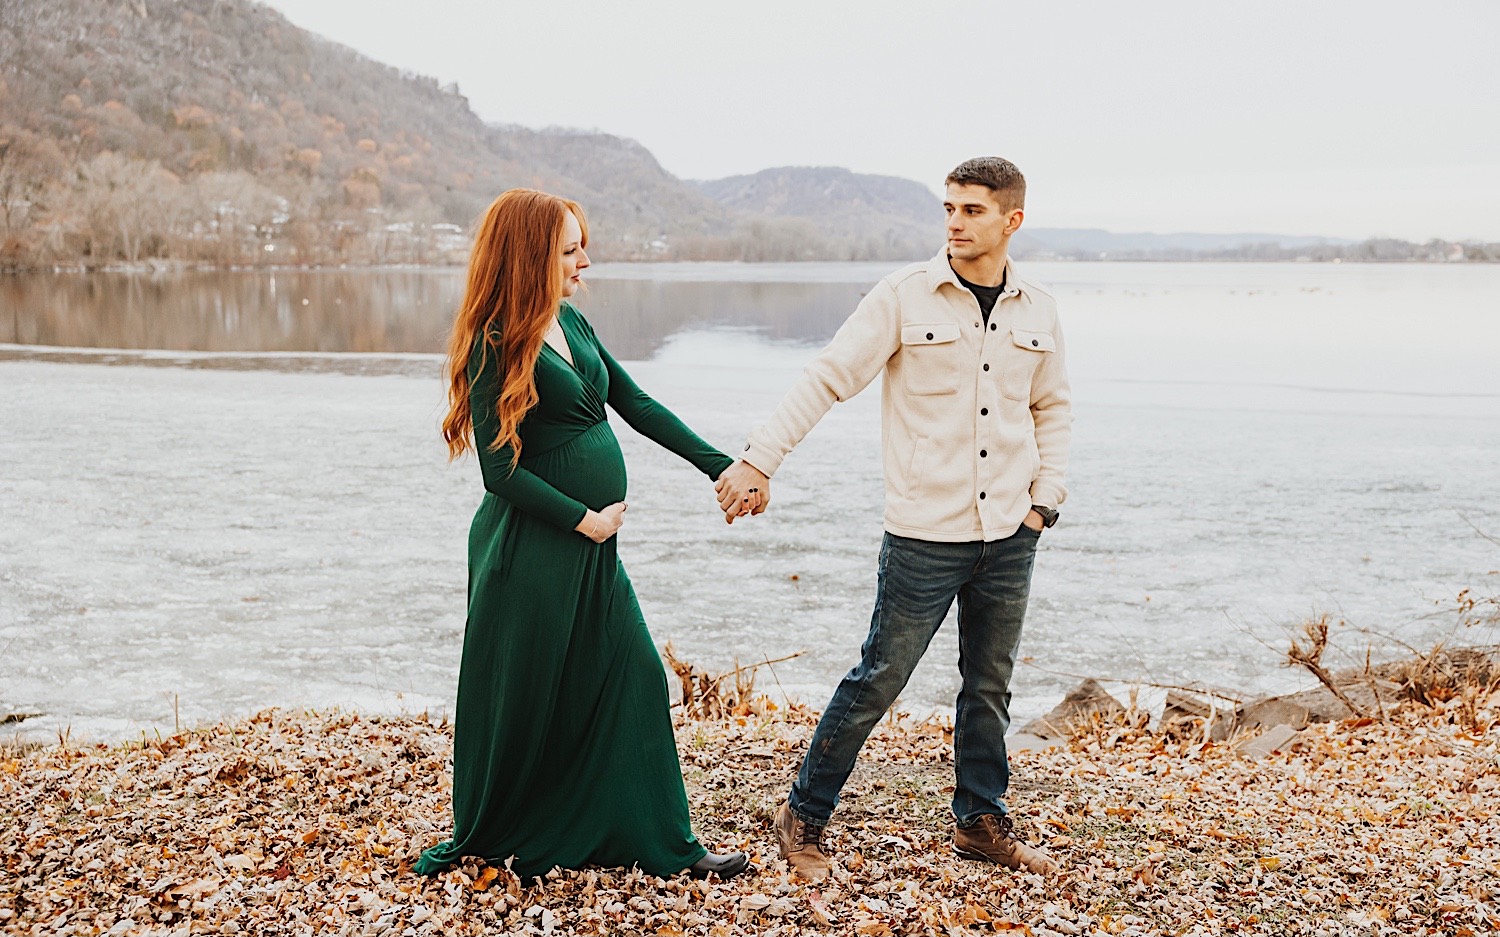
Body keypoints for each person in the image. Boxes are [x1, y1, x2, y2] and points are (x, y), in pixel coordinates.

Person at [715, 157, 1071, 880]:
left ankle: (979, 818)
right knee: (880, 676)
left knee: (990, 682)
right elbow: (827, 377)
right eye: (949, 207)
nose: (955, 222)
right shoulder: (904, 296)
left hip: (1008, 530)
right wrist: (759, 460)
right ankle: (803, 813)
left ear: (1012, 219)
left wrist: (1043, 501)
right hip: (922, 532)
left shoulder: (1038, 307)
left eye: (972, 210)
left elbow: (1052, 405)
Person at [415, 188, 749, 881]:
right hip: (532, 551)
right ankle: (511, 829)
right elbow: (498, 473)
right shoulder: (495, 343)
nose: (584, 262)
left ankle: (664, 844)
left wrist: (721, 464)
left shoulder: (572, 324)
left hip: (594, 548)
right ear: (532, 255)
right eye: (570, 250)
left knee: (630, 673)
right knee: (530, 698)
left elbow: (636, 404)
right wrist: (582, 517)